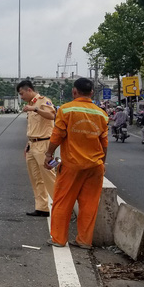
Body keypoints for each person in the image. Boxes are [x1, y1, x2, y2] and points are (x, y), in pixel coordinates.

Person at [43, 78, 108, 249]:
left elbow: (57, 135)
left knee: (63, 202)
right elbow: (104, 144)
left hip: (72, 165)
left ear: (74, 91)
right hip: (95, 166)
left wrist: (49, 154)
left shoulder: (66, 110)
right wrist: (103, 162)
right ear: (92, 93)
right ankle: (84, 241)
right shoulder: (102, 114)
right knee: (89, 204)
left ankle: (58, 239)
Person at [16, 80, 57, 217]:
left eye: (22, 93)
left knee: (50, 177)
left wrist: (36, 109)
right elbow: (32, 127)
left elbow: (52, 116)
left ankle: (61, 207)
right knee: (35, 177)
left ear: (29, 90)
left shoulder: (43, 101)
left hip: (44, 144)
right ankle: (42, 207)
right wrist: (27, 144)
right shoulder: (30, 105)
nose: (21, 97)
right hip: (32, 144)